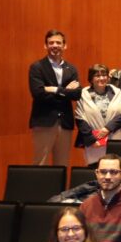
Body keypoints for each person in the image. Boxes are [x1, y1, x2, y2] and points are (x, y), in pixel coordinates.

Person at [29, 29, 80, 166]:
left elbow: (77, 94)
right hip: (44, 122)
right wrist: (65, 91)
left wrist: (54, 89)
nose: (55, 45)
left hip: (65, 123)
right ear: (45, 46)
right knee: (41, 164)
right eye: (51, 43)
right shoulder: (37, 67)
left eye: (58, 42)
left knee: (62, 164)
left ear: (64, 46)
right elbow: (38, 94)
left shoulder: (71, 68)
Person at [75, 63, 121, 165]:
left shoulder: (116, 91)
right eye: (97, 75)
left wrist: (107, 128)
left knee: (115, 166)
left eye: (104, 75)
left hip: (115, 137)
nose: (101, 78)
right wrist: (91, 140)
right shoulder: (83, 93)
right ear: (91, 79)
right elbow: (80, 118)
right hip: (95, 142)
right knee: (95, 168)